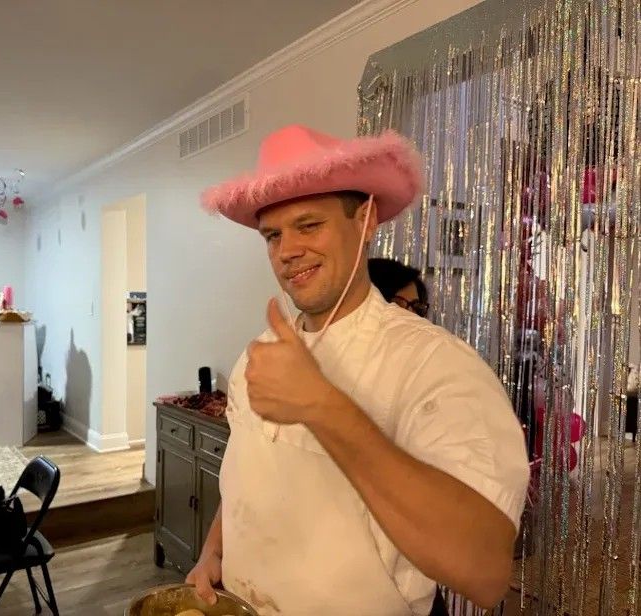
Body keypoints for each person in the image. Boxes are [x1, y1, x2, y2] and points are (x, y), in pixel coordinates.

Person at [190, 124, 529, 615]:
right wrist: (214, 551)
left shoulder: (433, 363)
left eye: (309, 225)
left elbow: (484, 571)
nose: (287, 251)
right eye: (273, 235)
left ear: (366, 218)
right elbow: (249, 474)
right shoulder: (258, 357)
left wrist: (322, 406)